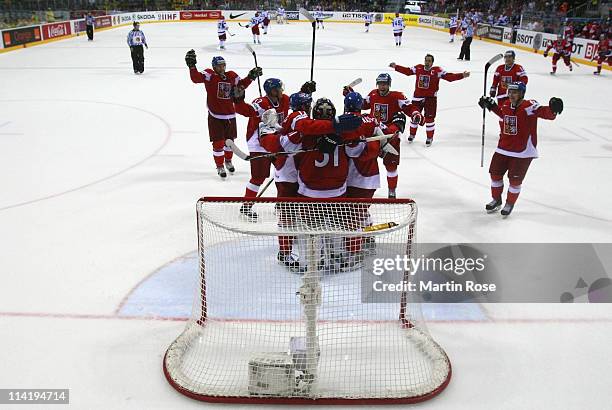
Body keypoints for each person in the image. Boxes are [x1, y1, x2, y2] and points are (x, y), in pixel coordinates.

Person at [233, 79, 316, 220]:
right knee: (258, 177)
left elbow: (297, 102)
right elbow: (245, 110)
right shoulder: (261, 103)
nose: (281, 90)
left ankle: (281, 203)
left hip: (276, 141)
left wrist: (304, 91)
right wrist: (239, 99)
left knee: (283, 174)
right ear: (272, 90)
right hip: (259, 143)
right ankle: (246, 206)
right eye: (279, 88)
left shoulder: (284, 99)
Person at [478, 83, 563, 216]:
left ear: (522, 94)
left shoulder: (530, 106)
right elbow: (503, 114)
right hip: (503, 148)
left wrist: (552, 110)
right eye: (510, 92)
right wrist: (491, 106)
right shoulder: (506, 104)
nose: (511, 95)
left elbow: (543, 112)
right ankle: (496, 200)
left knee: (515, 181)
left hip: (523, 152)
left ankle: (509, 203)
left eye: (515, 92)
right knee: (495, 175)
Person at [184, 51, 262, 177]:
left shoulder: (231, 76)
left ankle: (228, 161)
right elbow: (196, 78)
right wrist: (192, 66)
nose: (222, 68)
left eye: (223, 65)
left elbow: (241, 86)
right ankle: (220, 165)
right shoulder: (210, 75)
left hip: (230, 115)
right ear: (214, 66)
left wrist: (251, 76)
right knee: (218, 143)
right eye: (219, 66)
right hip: (215, 115)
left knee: (230, 142)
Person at [343, 73, 420, 198]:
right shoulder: (373, 94)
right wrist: (350, 94)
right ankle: (360, 186)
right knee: (365, 161)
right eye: (380, 84)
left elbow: (409, 107)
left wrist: (415, 113)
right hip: (372, 134)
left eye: (384, 84)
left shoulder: (397, 96)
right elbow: (361, 104)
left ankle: (392, 190)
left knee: (391, 165)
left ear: (389, 84)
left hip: (390, 136)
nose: (382, 86)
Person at [391, 55, 470, 147]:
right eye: (426, 60)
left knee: (430, 119)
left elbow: (449, 77)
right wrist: (396, 67)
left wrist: (462, 75)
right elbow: (407, 71)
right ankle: (412, 134)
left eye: (429, 61)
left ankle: (429, 137)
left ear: (432, 62)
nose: (427, 62)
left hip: (431, 99)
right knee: (415, 117)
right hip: (417, 98)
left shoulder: (437, 71)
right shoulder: (418, 68)